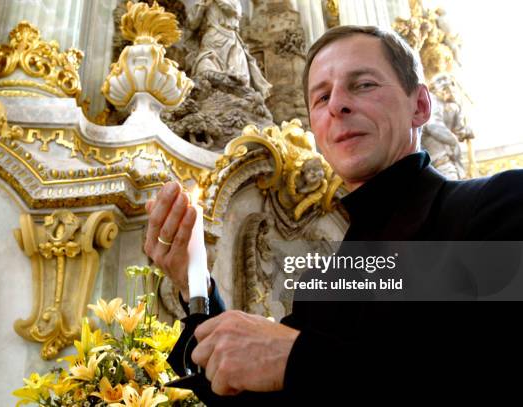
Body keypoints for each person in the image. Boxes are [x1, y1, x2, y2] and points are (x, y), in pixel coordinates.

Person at [144, 25, 523, 403]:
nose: (337, 104)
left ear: (420, 106)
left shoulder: (496, 204)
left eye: (363, 85)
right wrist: (192, 278)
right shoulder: (328, 283)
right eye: (321, 97)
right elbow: (248, 393)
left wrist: (298, 359)